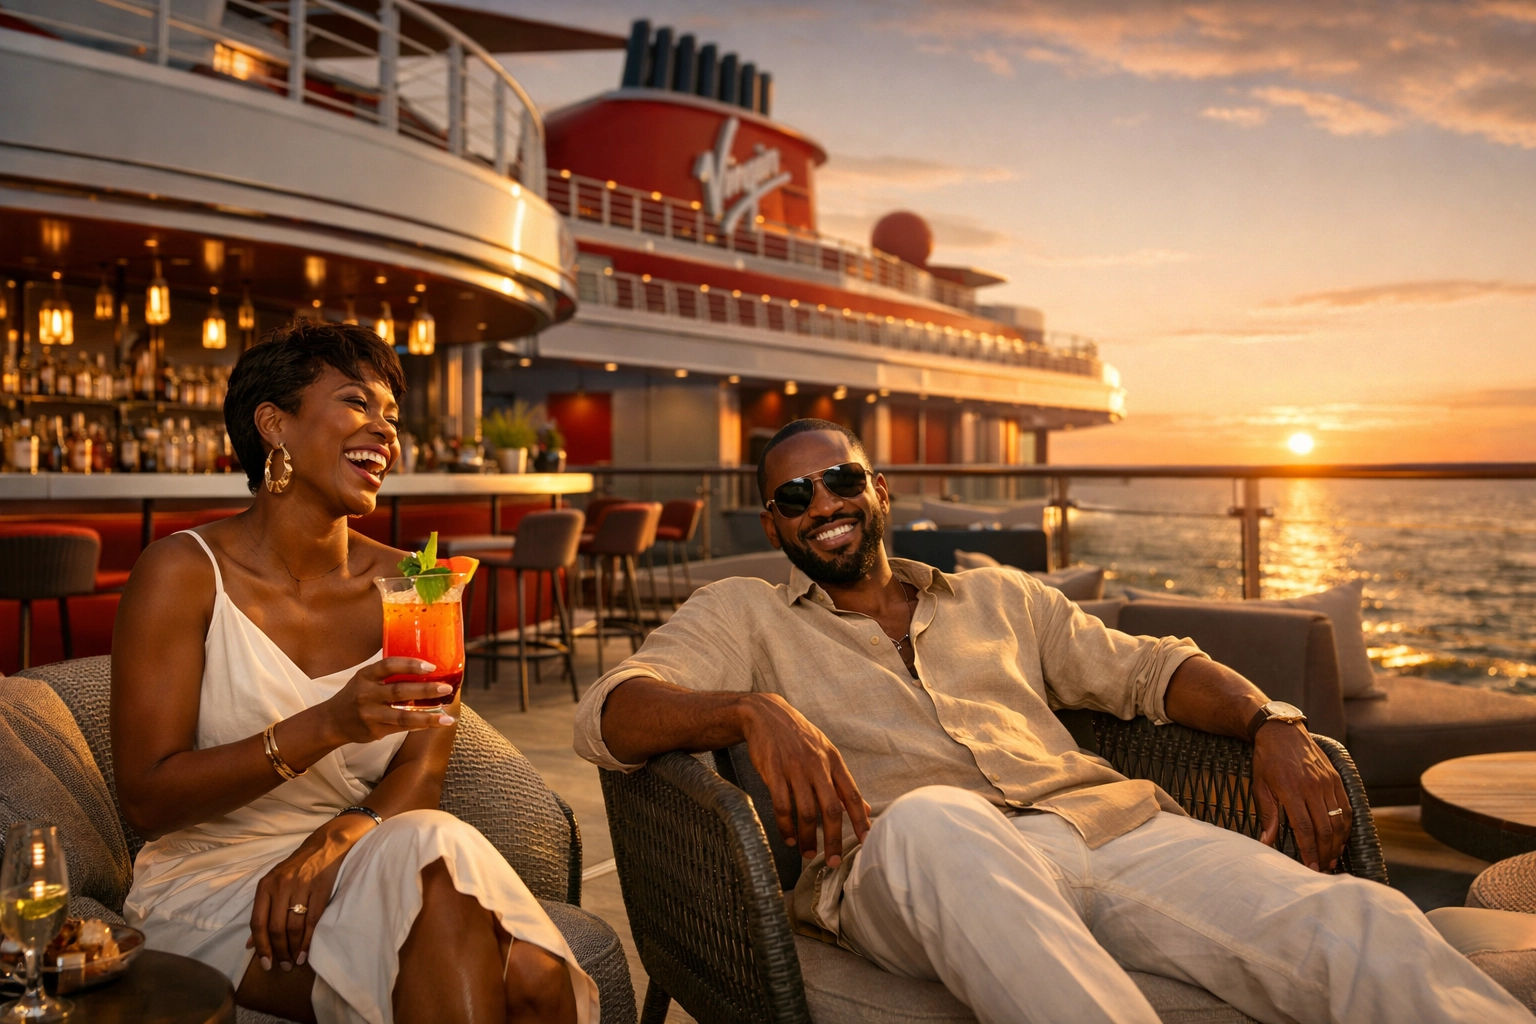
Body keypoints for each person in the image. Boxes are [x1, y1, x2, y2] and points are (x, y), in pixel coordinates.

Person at [575, 417, 1532, 1024]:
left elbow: (1152, 670)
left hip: (1110, 832)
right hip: (906, 860)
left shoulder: (1002, 598)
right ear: (774, 526)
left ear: (879, 491)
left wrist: (1271, 721)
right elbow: (608, 714)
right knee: (938, 820)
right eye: (794, 497)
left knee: (1356, 922)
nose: (822, 503)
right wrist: (751, 708)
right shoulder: (744, 615)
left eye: (841, 480)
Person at [113, 321, 599, 1024]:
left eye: (392, 416)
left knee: (440, 855)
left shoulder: (420, 585)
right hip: (214, 881)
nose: (385, 430)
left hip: (368, 846)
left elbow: (423, 771)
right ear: (274, 425)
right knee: (519, 969)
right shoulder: (182, 574)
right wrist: (328, 725)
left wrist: (338, 839)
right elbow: (147, 800)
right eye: (356, 402)